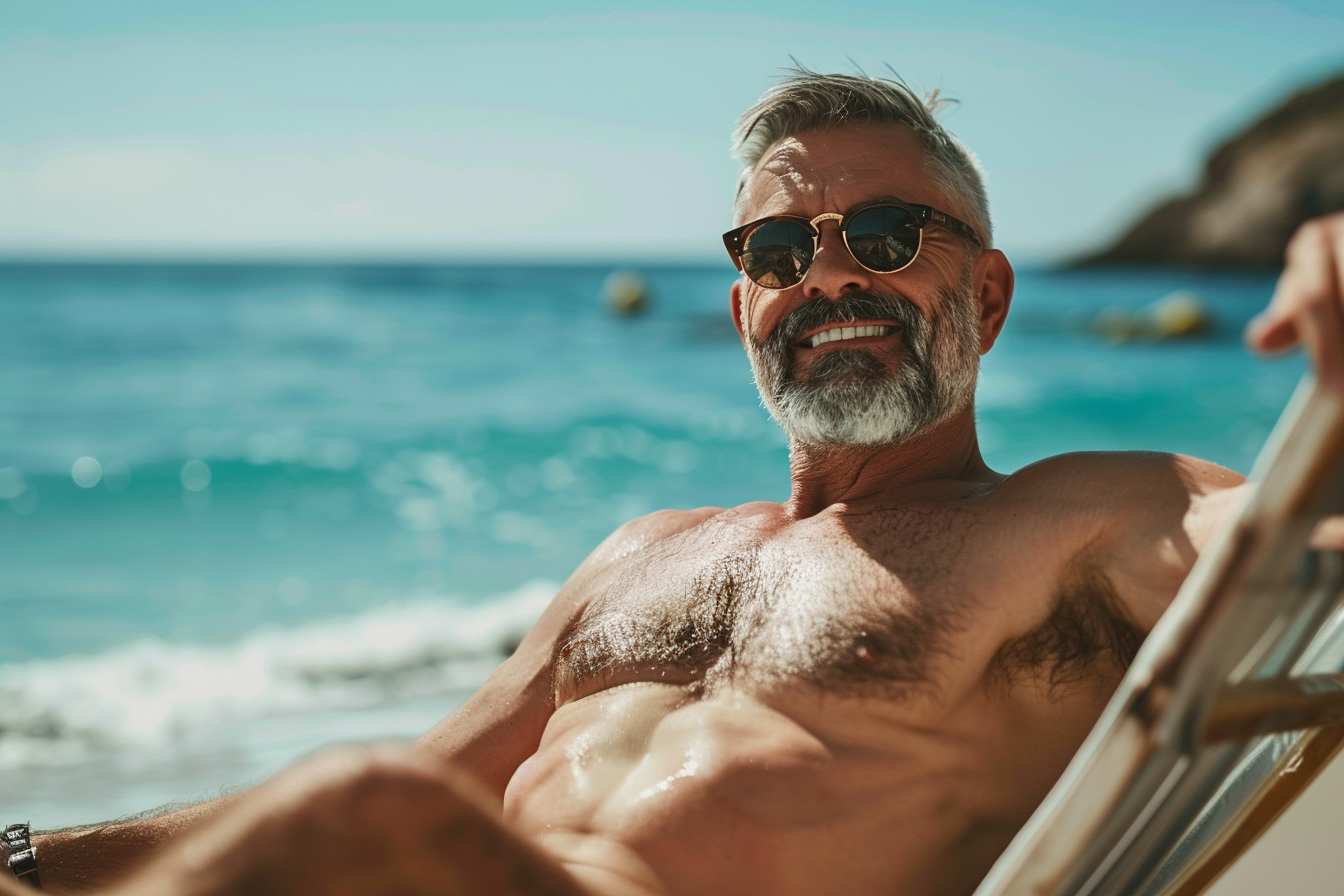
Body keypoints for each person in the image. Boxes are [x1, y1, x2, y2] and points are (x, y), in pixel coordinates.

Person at [8, 71, 1344, 896]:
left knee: (362, 820)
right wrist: (35, 861)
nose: (827, 277)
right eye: (777, 249)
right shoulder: (643, 551)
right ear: (743, 303)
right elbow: (434, 778)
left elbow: (1305, 557)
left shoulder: (1090, 515)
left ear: (987, 296)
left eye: (884, 236)